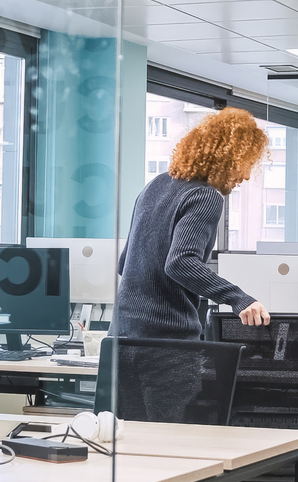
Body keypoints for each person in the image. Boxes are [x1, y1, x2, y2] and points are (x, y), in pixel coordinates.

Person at [113, 107, 271, 340]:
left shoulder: (155, 185)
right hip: (166, 339)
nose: (246, 175)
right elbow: (180, 263)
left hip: (121, 335)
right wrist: (239, 298)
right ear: (227, 157)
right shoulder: (205, 196)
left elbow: (124, 262)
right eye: (246, 162)